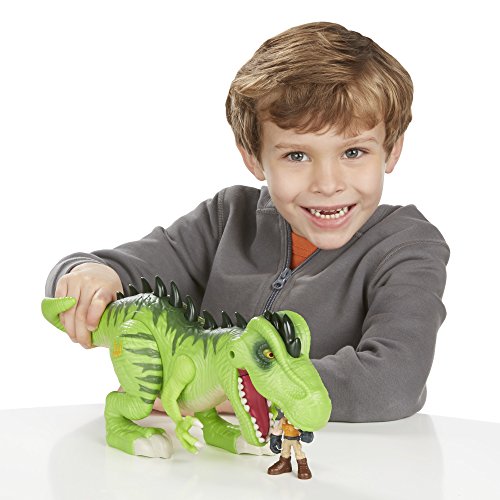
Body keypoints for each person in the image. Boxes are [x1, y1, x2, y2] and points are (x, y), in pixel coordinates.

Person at [45, 22, 450, 423]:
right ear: (254, 158)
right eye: (296, 156)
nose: (328, 184)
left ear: (391, 150)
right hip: (206, 458)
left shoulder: (407, 248)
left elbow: (392, 383)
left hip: (333, 462)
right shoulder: (227, 219)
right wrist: (87, 276)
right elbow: (111, 268)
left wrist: (230, 386)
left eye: (354, 152)